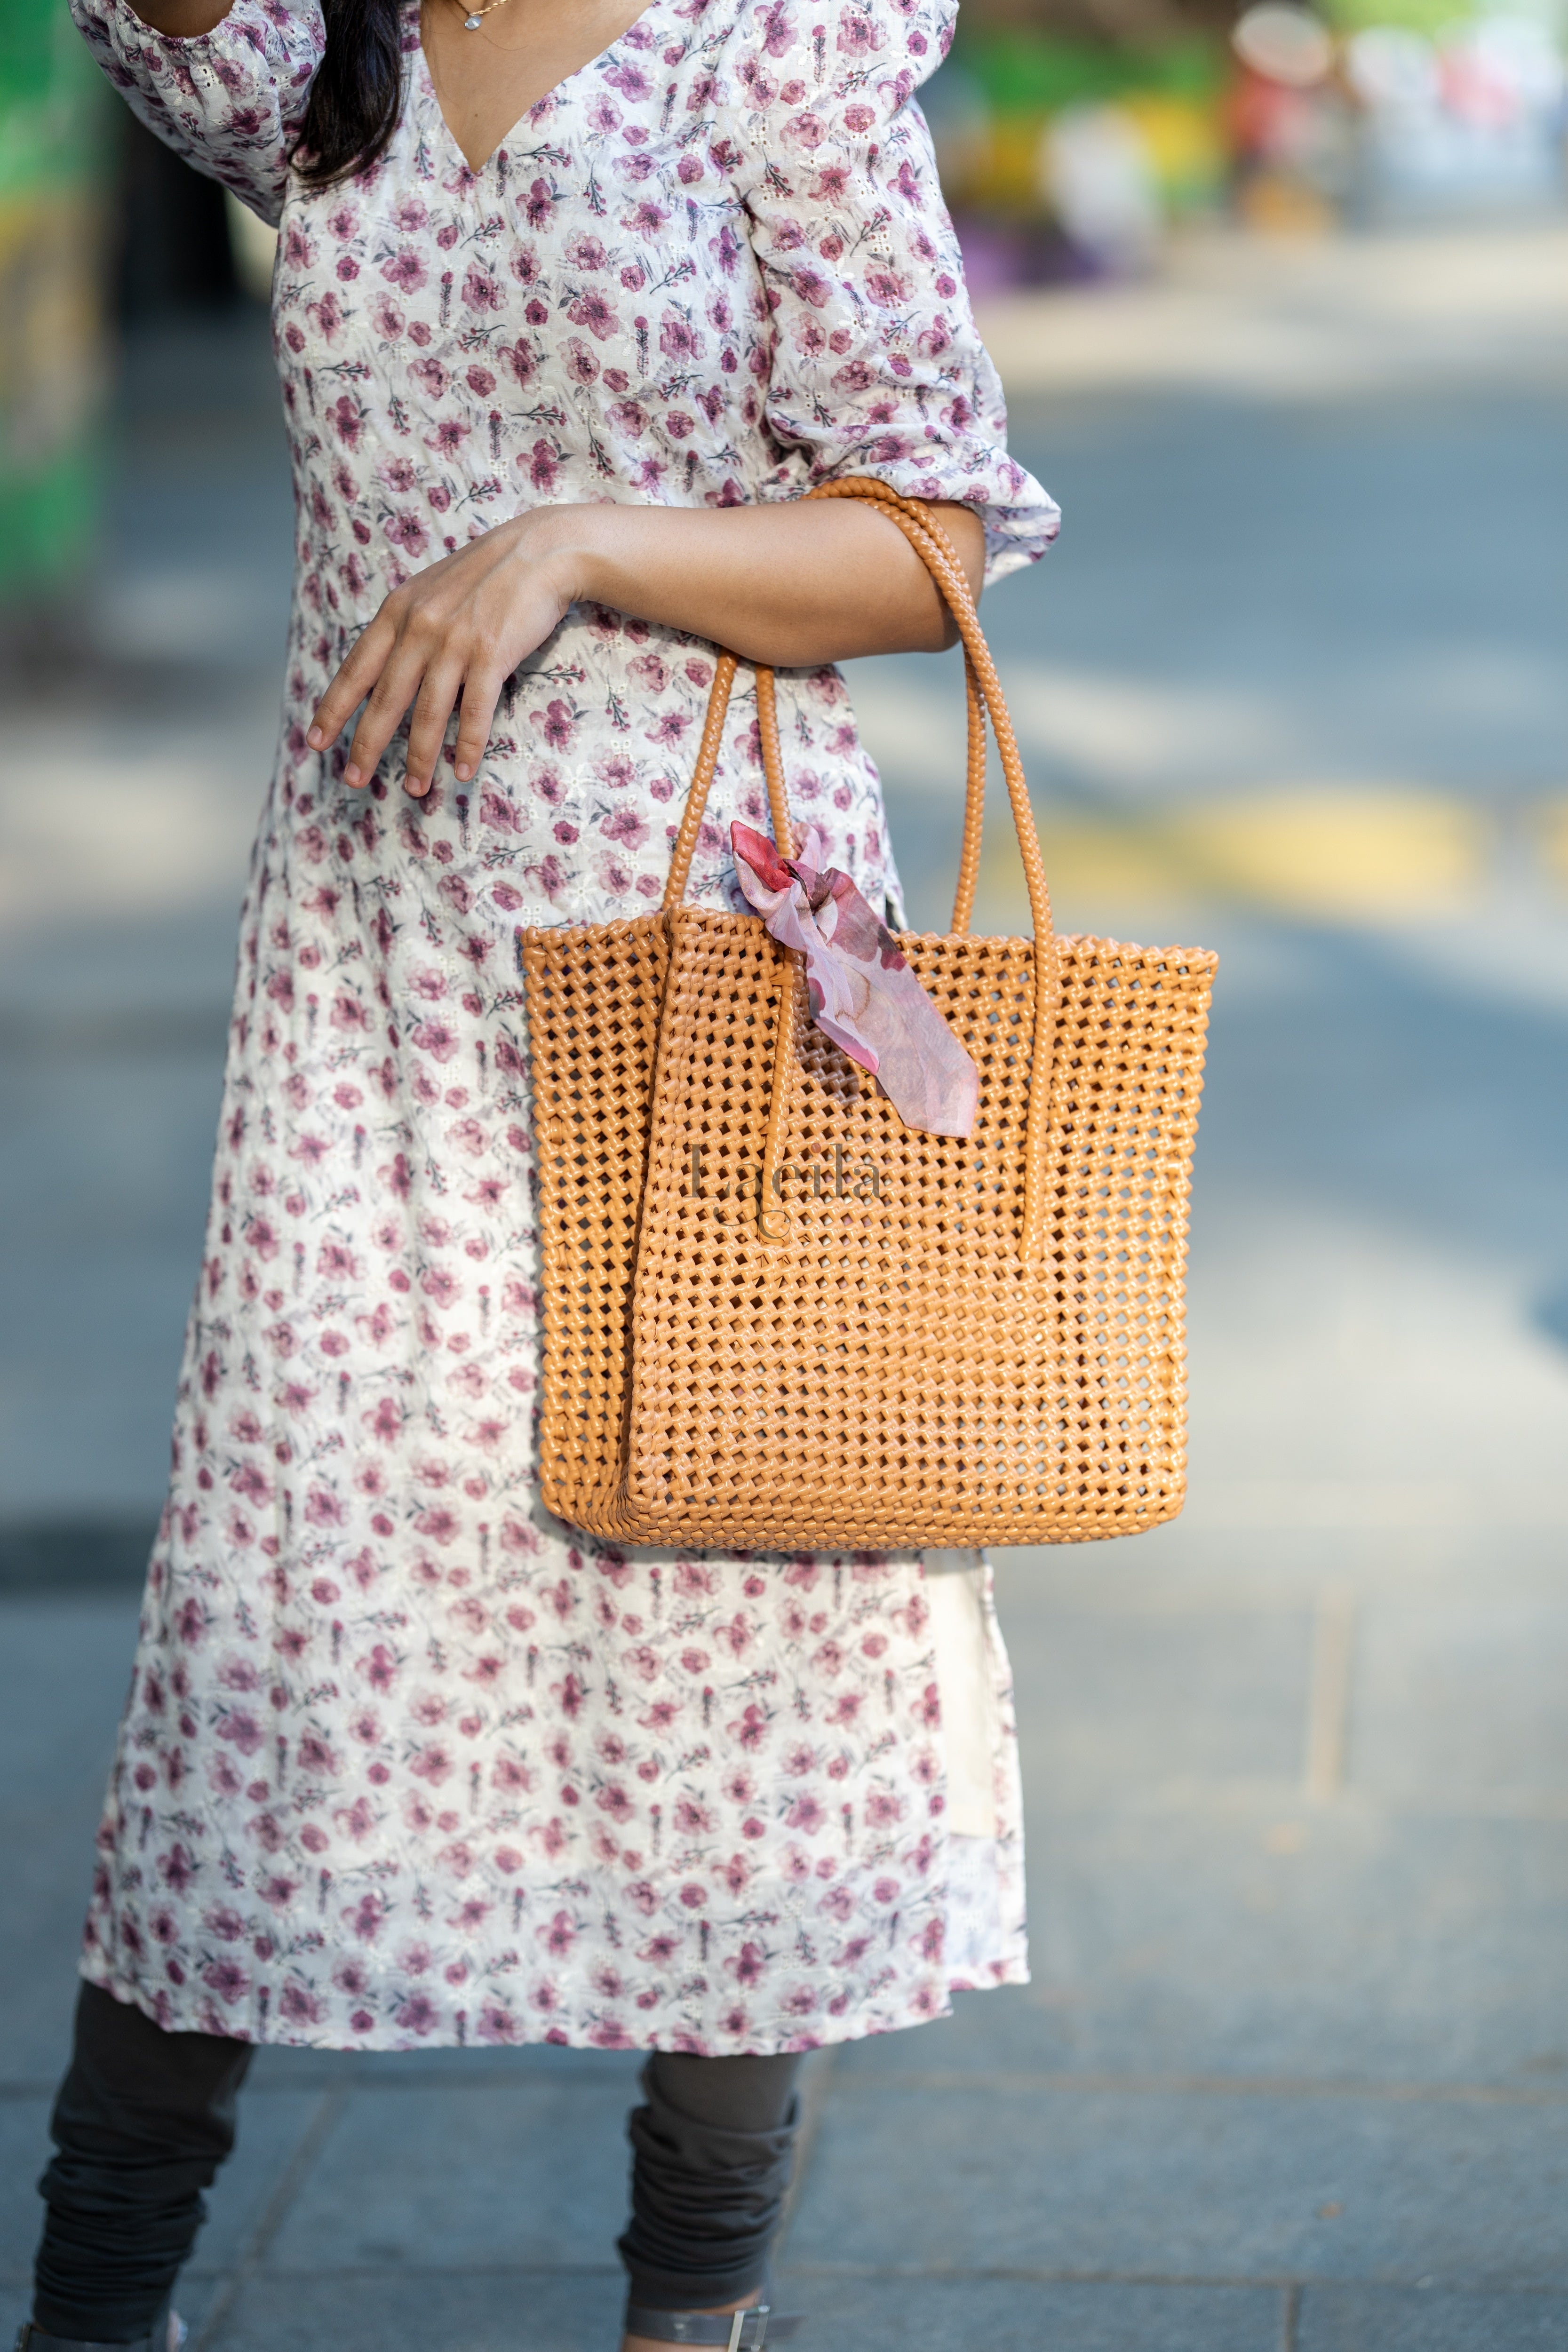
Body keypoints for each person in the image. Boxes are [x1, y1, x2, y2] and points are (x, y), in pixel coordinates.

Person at [26, 0, 1059, 2342]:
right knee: (274, 1638)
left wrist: (573, 545)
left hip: (701, 959)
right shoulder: (323, 48)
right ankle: (92, 2307)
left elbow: (932, 534)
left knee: (731, 1608)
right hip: (375, 992)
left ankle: (689, 2314)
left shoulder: (768, 40)